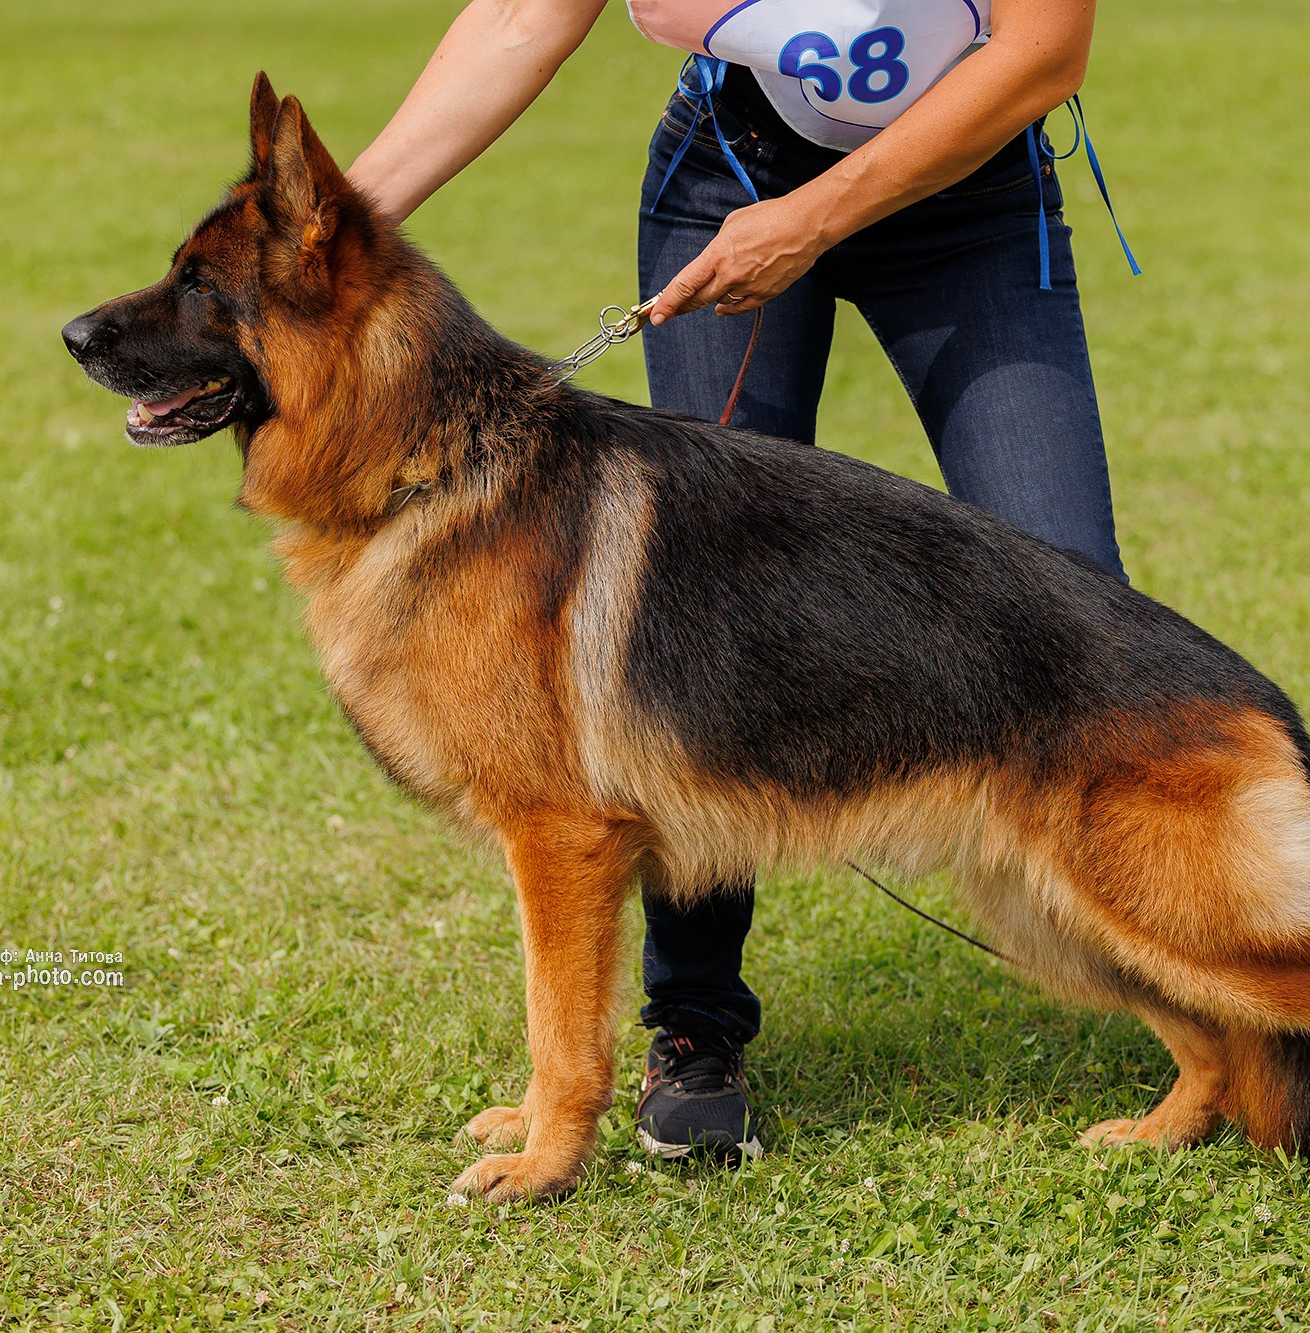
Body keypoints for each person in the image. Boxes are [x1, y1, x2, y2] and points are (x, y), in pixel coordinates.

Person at [349, 0, 1134, 1163]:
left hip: (968, 191)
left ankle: (1220, 984)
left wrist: (813, 219)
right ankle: (695, 1029)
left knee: (1079, 598)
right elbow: (519, 15)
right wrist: (323, 227)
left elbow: (1041, 50)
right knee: (687, 631)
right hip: (732, 172)